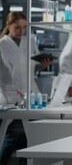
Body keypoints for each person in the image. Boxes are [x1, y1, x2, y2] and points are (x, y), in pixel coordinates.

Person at [0, 12, 52, 165]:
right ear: (8, 26)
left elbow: (31, 69)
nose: (21, 31)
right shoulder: (2, 45)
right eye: (17, 27)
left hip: (31, 95)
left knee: (29, 140)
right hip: (10, 97)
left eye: (24, 27)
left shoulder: (29, 42)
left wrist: (42, 66)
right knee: (12, 136)